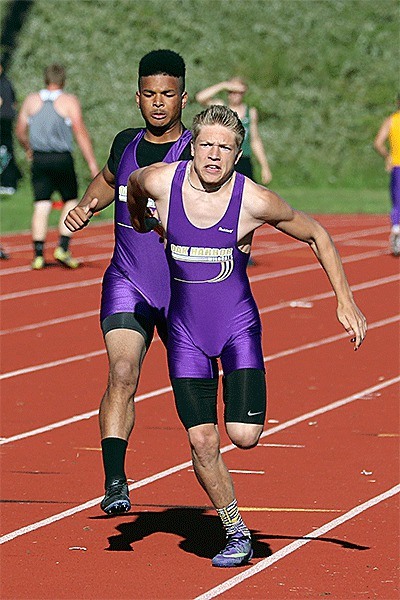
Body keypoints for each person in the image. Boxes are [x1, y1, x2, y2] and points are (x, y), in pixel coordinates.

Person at [127, 105, 367, 567]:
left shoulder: (253, 200)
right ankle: (235, 531)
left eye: (225, 148)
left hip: (237, 328)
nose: (214, 156)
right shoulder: (161, 181)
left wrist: (345, 300)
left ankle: (244, 429)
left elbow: (316, 234)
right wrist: (146, 222)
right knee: (202, 441)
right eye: (206, 145)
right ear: (192, 145)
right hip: (184, 334)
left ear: (238, 155)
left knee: (244, 436)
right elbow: (134, 189)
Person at [64, 50, 192, 515]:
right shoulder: (125, 143)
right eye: (150, 94)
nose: (159, 103)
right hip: (128, 279)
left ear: (183, 97)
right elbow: (106, 179)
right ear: (137, 97)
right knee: (121, 373)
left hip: (183, 289)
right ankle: (115, 481)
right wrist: (87, 206)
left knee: (193, 397)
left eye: (168, 95)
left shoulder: (199, 151)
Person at [15, 63, 99, 269]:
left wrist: (28, 148)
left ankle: (38, 255)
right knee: (71, 200)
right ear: (63, 80)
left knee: (41, 204)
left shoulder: (31, 100)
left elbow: (19, 130)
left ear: (45, 78)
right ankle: (62, 246)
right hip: (61, 158)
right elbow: (80, 132)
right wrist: (92, 164)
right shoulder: (68, 101)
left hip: (40, 159)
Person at [195, 77, 272, 185]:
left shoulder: (250, 112)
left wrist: (265, 166)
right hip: (225, 158)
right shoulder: (222, 108)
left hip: (244, 159)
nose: (234, 95)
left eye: (238, 92)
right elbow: (200, 98)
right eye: (231, 92)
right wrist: (223, 85)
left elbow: (255, 140)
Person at [373, 96, 400, 256]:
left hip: (397, 166)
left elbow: (378, 143)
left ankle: (397, 232)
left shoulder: (392, 120)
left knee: (397, 202)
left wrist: (388, 156)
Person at [0, 63, 21, 195]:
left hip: (2, 122)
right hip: (7, 120)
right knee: (7, 150)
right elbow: (14, 102)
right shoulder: (8, 82)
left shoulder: (3, 83)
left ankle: (7, 182)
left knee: (5, 151)